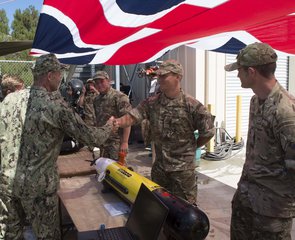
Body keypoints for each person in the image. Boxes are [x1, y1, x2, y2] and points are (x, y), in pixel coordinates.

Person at [0, 54, 118, 240]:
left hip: (7, 184)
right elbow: (92, 138)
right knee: (47, 236)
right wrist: (110, 126)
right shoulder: (55, 107)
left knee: (10, 234)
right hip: (38, 189)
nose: (61, 77)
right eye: (59, 73)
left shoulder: (9, 100)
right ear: (49, 75)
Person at [115, 59, 215, 204]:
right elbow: (132, 117)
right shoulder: (152, 103)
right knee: (160, 206)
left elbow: (208, 132)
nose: (159, 79)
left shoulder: (192, 105)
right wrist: (116, 122)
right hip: (160, 168)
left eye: (164, 76)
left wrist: (192, 147)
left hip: (183, 172)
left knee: (185, 208)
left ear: (178, 77)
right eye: (158, 76)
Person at [224, 42, 295, 239]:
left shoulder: (285, 111)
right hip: (246, 201)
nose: (237, 75)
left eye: (239, 70)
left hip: (271, 213)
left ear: (252, 72)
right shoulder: (256, 102)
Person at [93, 71, 132, 161]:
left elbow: (128, 120)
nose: (99, 85)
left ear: (108, 81)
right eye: (97, 83)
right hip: (102, 142)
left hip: (116, 143)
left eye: (101, 81)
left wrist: (125, 142)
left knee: (118, 170)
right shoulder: (96, 99)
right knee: (104, 169)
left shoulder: (119, 97)